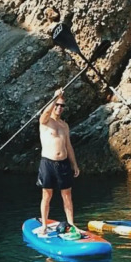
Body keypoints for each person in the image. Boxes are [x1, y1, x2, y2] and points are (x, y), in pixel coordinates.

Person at [36, 89, 80, 235]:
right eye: (58, 105)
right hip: (48, 163)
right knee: (47, 195)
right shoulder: (46, 121)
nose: (60, 108)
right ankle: (44, 225)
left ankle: (72, 224)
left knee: (67, 195)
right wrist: (55, 98)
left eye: (62, 106)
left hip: (63, 163)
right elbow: (45, 114)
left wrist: (74, 164)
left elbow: (68, 146)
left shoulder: (64, 125)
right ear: (53, 105)